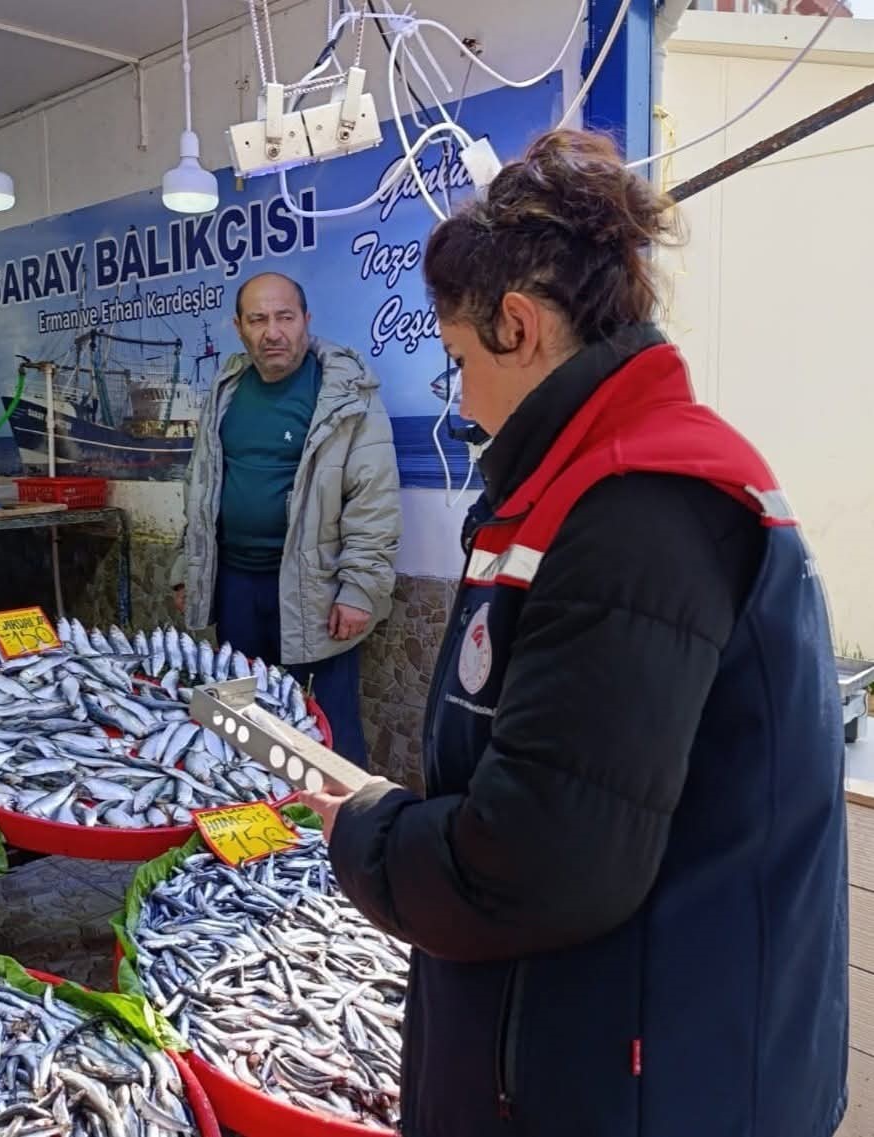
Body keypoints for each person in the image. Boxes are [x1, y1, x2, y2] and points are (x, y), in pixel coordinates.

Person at [301, 130, 848, 1136]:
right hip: (601, 1049)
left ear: (518, 325)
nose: (462, 400)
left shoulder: (640, 509)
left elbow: (538, 862)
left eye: (458, 360)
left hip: (654, 1079)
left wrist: (368, 833)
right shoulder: (586, 483)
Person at [171, 272, 401, 766]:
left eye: (284, 317)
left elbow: (374, 499)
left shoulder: (345, 392)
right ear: (239, 327)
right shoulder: (227, 389)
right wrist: (186, 568)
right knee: (243, 727)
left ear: (306, 320)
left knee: (326, 732)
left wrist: (359, 589)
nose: (272, 332)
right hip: (235, 586)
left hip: (315, 591)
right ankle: (258, 812)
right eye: (258, 319)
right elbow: (201, 486)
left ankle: (341, 817)